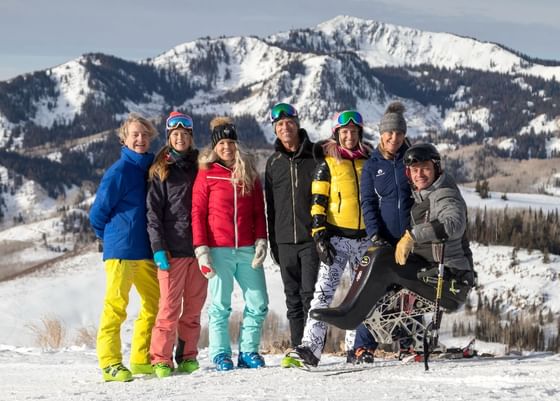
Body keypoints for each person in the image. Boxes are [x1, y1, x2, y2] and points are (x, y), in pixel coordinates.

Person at [309, 143, 475, 339]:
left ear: (436, 168)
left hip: (450, 280)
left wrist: (412, 236)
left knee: (383, 261)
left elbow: (453, 224)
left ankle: (350, 315)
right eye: (414, 170)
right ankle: (358, 316)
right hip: (433, 271)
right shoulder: (424, 192)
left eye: (425, 169)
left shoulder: (445, 194)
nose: (419, 174)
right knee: (381, 254)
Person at [283, 110, 372, 368]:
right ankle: (311, 348)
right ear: (337, 134)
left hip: (364, 240)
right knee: (323, 294)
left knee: (362, 295)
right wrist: (319, 235)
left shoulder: (367, 161)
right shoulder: (328, 164)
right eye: (344, 132)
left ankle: (356, 348)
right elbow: (317, 203)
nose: (349, 136)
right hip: (337, 239)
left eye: (354, 132)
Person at [191, 116, 269, 371]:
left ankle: (248, 351)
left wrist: (261, 241)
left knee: (258, 302)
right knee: (220, 305)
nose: (227, 147)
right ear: (215, 146)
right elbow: (197, 213)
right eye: (222, 142)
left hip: (247, 248)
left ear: (237, 144)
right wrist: (202, 250)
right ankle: (220, 354)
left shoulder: (248, 171)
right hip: (218, 250)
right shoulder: (206, 174)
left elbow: (259, 210)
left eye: (230, 142)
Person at [89, 113, 160, 382]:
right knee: (116, 306)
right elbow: (97, 213)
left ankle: (141, 358)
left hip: (145, 251)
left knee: (156, 303)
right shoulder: (119, 171)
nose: (140, 139)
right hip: (121, 252)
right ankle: (110, 363)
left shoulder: (150, 169)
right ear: (124, 139)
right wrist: (111, 239)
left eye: (144, 134)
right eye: (135, 135)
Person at [146, 112, 207, 378]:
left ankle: (187, 356)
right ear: (169, 138)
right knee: (168, 309)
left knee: (193, 309)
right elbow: (152, 214)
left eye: (184, 134)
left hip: (199, 250)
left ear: (191, 137)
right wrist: (158, 247)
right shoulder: (161, 170)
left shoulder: (201, 167)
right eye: (175, 134)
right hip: (172, 251)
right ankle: (160, 358)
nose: (180, 138)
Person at [352, 101, 413, 363]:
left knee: (410, 292)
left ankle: (407, 344)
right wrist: (375, 234)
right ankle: (363, 347)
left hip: (410, 239)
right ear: (381, 134)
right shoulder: (372, 165)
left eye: (399, 133)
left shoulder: (412, 160)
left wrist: (414, 234)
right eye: (390, 133)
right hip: (382, 239)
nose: (394, 138)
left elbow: (422, 198)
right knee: (374, 291)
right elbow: (367, 202)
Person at [264, 103, 320, 362]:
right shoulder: (273, 162)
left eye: (289, 123)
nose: (285, 127)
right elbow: (271, 207)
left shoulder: (316, 155)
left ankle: (312, 347)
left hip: (311, 239)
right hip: (284, 240)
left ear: (297, 124)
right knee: (292, 299)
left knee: (310, 296)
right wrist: (273, 243)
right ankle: (299, 348)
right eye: (279, 125)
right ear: (275, 130)